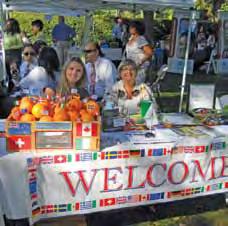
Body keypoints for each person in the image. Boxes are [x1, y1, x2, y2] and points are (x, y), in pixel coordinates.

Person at [4, 18, 23, 91]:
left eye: (8, 24)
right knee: (8, 72)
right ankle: (11, 85)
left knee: (14, 72)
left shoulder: (17, 35)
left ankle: (17, 88)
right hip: (7, 54)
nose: (6, 25)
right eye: (6, 24)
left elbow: (20, 45)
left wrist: (10, 47)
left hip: (15, 55)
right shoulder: (5, 34)